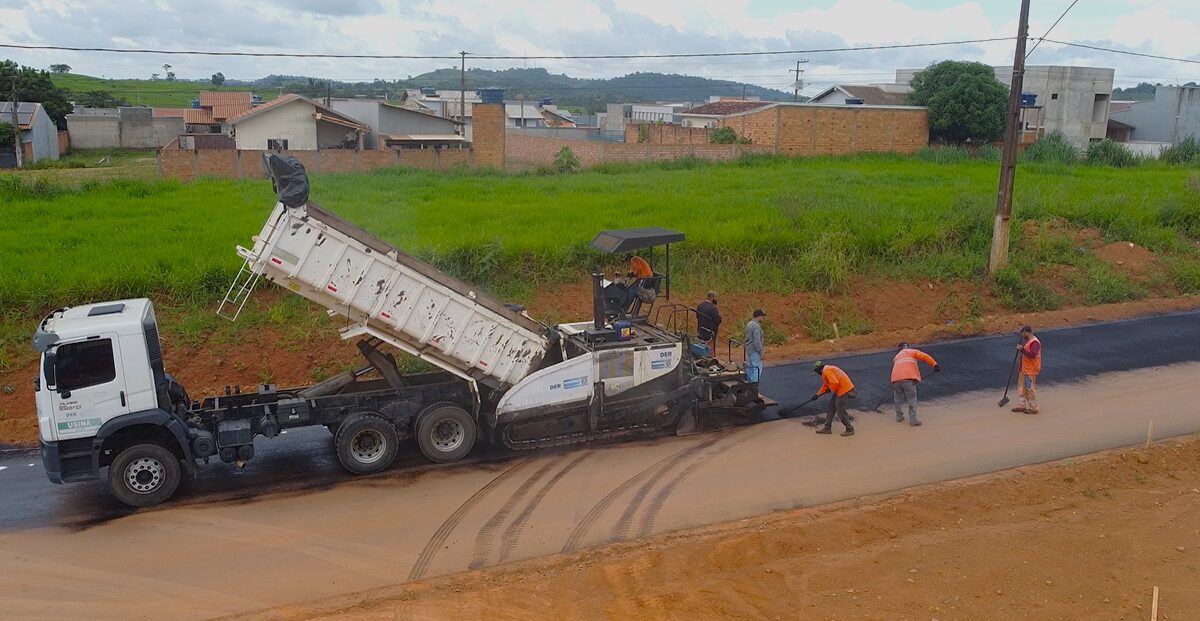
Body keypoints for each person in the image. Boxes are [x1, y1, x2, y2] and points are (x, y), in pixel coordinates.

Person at [891, 342, 940, 426]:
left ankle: (899, 416)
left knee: (898, 399)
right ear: (907, 347)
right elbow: (924, 356)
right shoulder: (912, 352)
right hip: (908, 379)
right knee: (912, 399)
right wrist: (935, 365)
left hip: (895, 379)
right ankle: (913, 420)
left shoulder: (896, 357)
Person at [812, 361, 856, 436]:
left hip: (844, 390)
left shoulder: (826, 371)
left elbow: (834, 382)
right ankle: (827, 428)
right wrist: (818, 394)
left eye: (816, 371)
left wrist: (830, 389)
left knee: (841, 411)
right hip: (839, 390)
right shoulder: (827, 370)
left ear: (819, 369)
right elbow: (826, 385)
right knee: (831, 407)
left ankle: (849, 429)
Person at [1013, 325, 1042, 414]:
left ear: (1026, 332)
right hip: (1024, 369)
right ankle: (1021, 405)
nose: (1022, 336)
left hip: (1030, 370)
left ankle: (1034, 408)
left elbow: (1033, 355)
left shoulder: (1035, 343)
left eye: (1023, 333)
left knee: (1029, 389)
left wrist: (1022, 349)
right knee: (1021, 388)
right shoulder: (1028, 341)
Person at [696, 291, 721, 356]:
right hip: (710, 334)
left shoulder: (700, 305)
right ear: (712, 297)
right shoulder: (713, 308)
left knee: (701, 349)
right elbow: (717, 321)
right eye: (716, 298)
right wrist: (719, 317)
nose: (717, 300)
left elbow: (697, 316)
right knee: (709, 351)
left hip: (700, 331)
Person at [744, 309, 766, 384]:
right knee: (757, 368)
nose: (763, 318)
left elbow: (747, 338)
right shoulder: (756, 326)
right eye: (762, 316)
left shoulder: (749, 324)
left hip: (749, 350)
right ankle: (754, 387)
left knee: (750, 367)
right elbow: (756, 342)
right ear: (759, 316)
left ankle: (748, 385)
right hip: (755, 351)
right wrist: (761, 352)